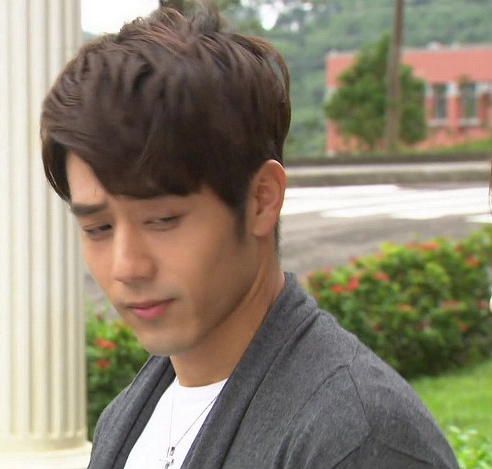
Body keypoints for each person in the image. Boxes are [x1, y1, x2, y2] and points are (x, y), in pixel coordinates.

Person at [40, 6, 458, 469]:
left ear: (261, 199)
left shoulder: (357, 439)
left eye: (162, 220)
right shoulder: (127, 419)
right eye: (98, 228)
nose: (127, 267)